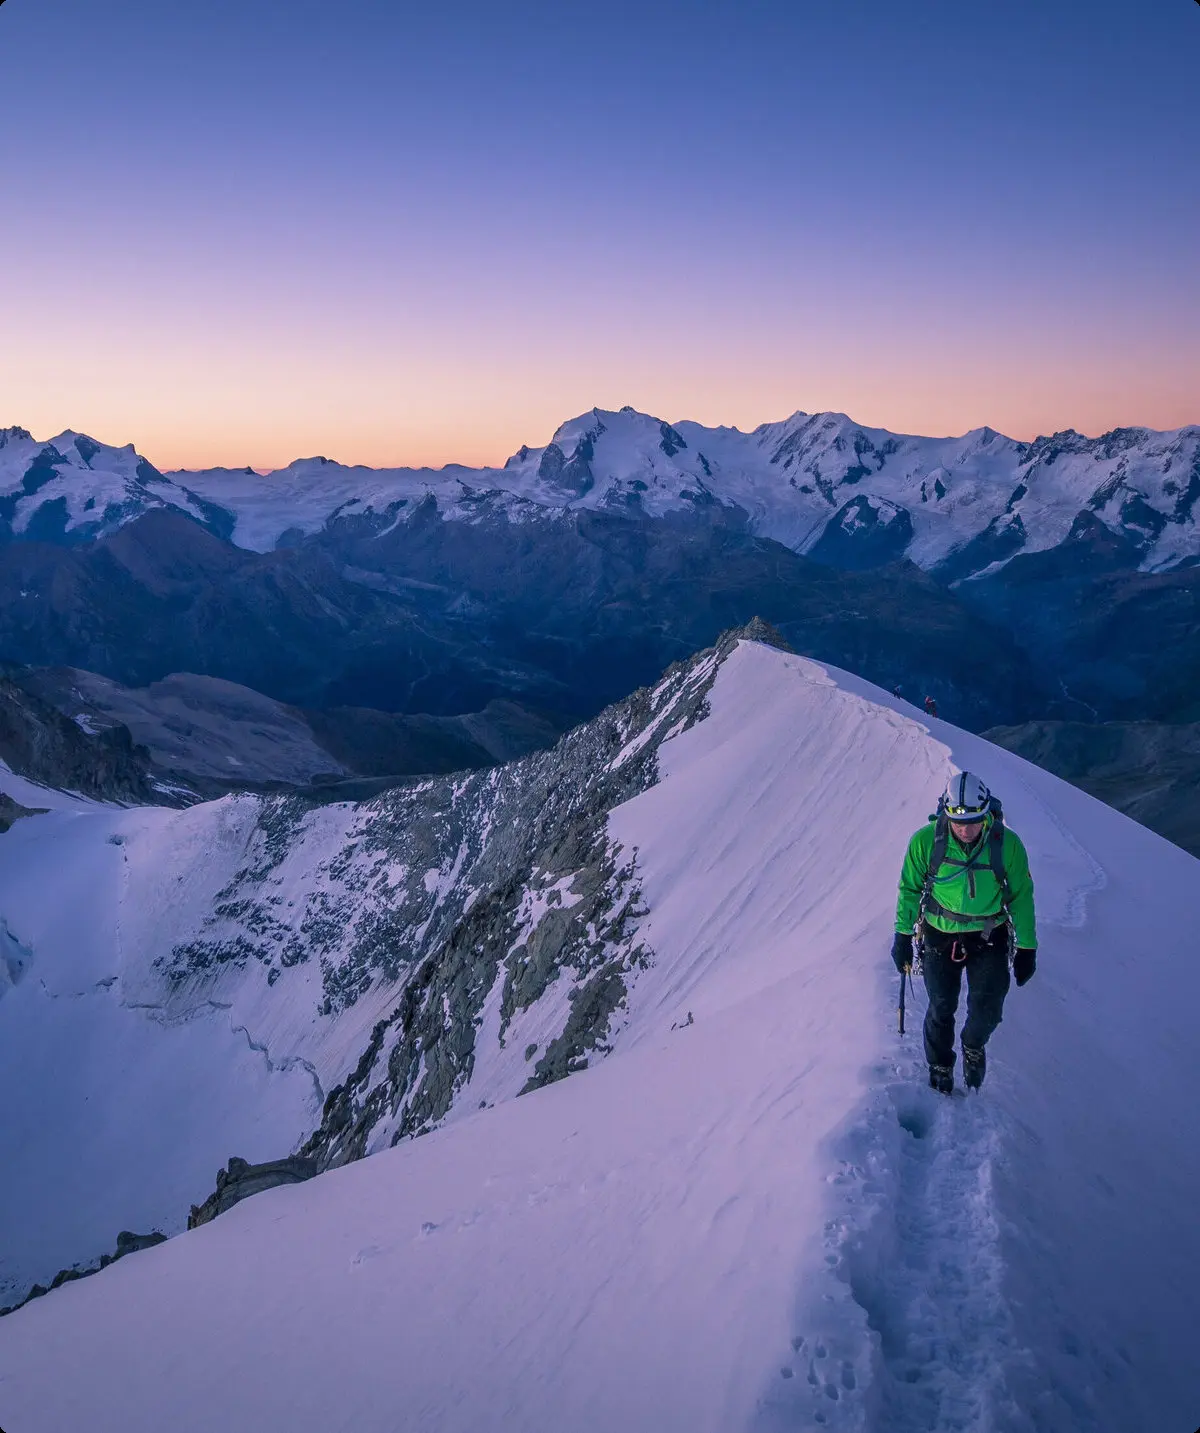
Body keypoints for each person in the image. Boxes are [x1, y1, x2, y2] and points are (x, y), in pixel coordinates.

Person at [891, 772, 1037, 1093]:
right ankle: (940, 1067)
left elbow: (1021, 895)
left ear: (986, 814)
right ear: (945, 812)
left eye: (973, 821)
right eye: (958, 821)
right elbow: (910, 888)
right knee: (941, 1005)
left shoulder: (1007, 846)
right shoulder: (925, 842)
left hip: (990, 934)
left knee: (988, 1007)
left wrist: (1027, 946)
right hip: (939, 934)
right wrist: (902, 935)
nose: (965, 829)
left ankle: (973, 1044)